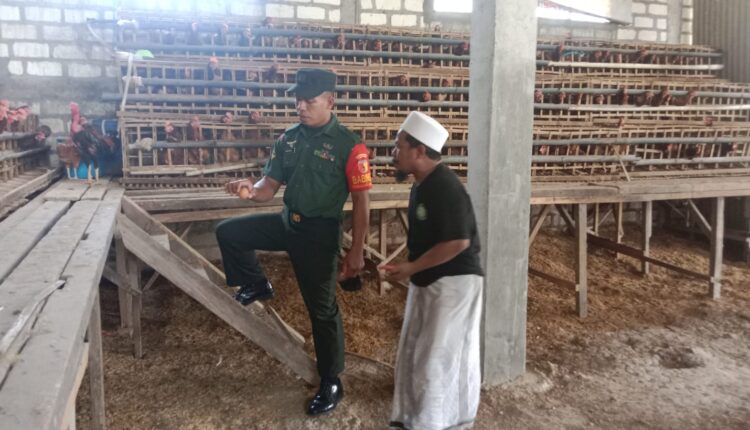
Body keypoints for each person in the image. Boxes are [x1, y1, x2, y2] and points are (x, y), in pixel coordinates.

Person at [215, 68, 372, 416]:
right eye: (298, 100)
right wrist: (248, 189)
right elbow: (267, 187)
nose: (301, 107)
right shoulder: (288, 139)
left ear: (330, 101)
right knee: (229, 232)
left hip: (319, 235)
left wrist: (357, 250)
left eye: (309, 101)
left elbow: (362, 202)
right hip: (288, 222)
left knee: (322, 309)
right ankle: (257, 283)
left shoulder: (349, 145)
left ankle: (332, 379)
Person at [381, 111, 484, 430]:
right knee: (415, 353)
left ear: (420, 150)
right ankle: (413, 420)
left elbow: (458, 242)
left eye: (399, 146)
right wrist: (408, 267)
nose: (393, 154)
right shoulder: (421, 185)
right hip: (429, 280)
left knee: (436, 361)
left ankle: (438, 423)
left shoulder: (446, 186)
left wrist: (410, 267)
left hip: (454, 284)